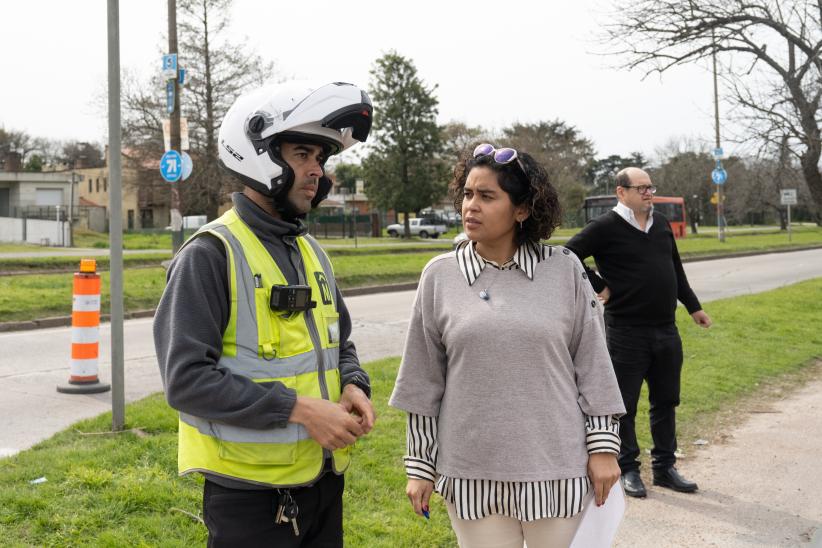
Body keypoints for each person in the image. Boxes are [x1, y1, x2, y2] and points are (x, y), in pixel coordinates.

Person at [153, 81, 376, 547]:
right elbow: (186, 380)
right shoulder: (212, 254)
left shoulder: (312, 251)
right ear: (259, 155)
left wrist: (354, 382)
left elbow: (341, 343)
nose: (317, 171)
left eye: (321, 158)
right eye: (302, 155)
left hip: (321, 483)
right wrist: (299, 410)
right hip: (249, 498)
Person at [389, 144, 626, 547]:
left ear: (521, 210)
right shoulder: (439, 276)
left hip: (556, 470)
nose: (471, 206)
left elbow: (594, 366)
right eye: (467, 194)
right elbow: (422, 382)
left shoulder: (565, 269)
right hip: (471, 473)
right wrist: (419, 467)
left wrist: (603, 447)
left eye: (486, 196)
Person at [565, 167, 712, 499]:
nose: (649, 193)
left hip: (666, 330)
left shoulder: (659, 224)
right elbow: (567, 255)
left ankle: (664, 468)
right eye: (641, 188)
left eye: (650, 188)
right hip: (625, 332)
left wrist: (693, 307)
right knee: (624, 405)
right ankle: (628, 469)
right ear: (622, 192)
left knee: (666, 400)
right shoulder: (605, 227)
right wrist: (599, 285)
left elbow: (675, 268)